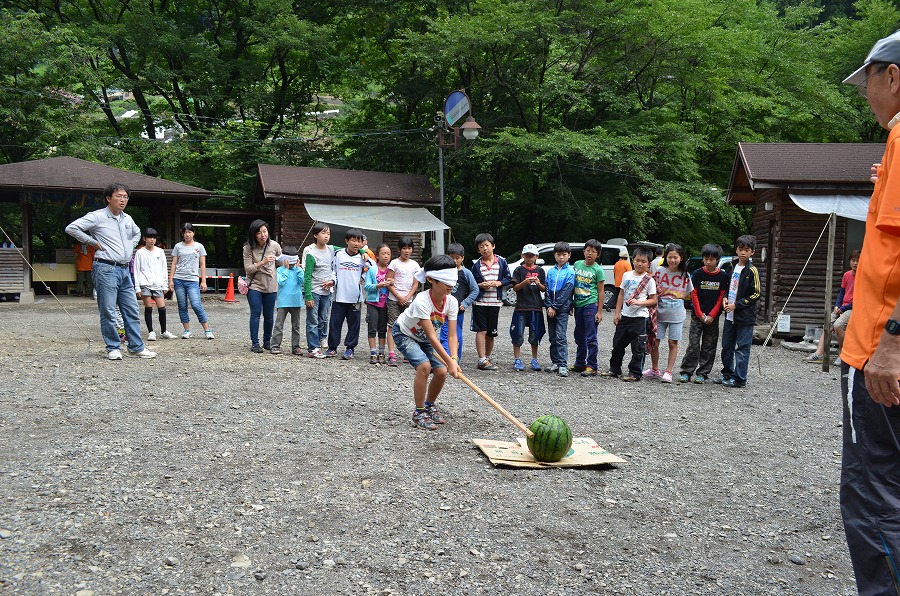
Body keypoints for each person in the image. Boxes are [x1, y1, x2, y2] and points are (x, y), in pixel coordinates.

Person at [840, 35, 900, 594]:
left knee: (874, 497)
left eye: (869, 82)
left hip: (882, 356)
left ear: (895, 78)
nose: (867, 97)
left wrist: (894, 341)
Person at [64, 182, 156, 360]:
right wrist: (92, 242)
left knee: (131, 309)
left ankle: (136, 346)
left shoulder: (127, 219)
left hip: (124, 269)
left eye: (126, 197)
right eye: (119, 196)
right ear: (108, 198)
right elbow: (72, 228)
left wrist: (130, 245)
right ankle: (113, 347)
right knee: (108, 310)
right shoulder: (97, 216)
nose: (123, 200)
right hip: (105, 267)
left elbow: (137, 233)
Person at [392, 255, 461, 431]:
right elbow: (431, 336)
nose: (450, 285)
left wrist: (453, 358)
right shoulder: (422, 300)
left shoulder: (451, 302)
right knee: (424, 367)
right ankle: (419, 412)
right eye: (445, 281)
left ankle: (429, 405)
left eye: (452, 281)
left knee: (442, 371)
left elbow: (452, 336)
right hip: (404, 334)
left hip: (422, 338)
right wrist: (450, 360)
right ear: (430, 279)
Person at [602, 247, 657, 381]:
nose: (639, 263)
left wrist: (639, 303)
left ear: (648, 263)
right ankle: (614, 369)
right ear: (633, 260)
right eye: (637, 260)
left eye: (643, 261)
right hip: (625, 316)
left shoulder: (649, 280)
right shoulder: (627, 275)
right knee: (618, 343)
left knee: (638, 346)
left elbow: (654, 299)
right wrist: (617, 313)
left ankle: (635, 373)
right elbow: (621, 294)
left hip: (640, 317)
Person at [678, 243, 728, 383]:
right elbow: (694, 295)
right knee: (693, 344)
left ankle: (703, 373)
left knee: (709, 345)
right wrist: (700, 314)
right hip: (697, 315)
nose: (708, 261)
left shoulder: (723, 276)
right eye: (706, 258)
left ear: (717, 259)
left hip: (714, 316)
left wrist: (712, 315)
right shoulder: (698, 274)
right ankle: (686, 371)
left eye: (711, 259)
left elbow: (721, 296)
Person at [643, 244, 693, 383]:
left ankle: (669, 371)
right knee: (655, 341)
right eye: (670, 257)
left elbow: (689, 293)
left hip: (677, 313)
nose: (672, 260)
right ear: (665, 257)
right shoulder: (659, 271)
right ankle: (654, 369)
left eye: (675, 257)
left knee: (673, 342)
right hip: (659, 312)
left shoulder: (685, 274)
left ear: (681, 258)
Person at [715, 235, 760, 388]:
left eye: (746, 250)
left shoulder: (752, 270)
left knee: (742, 348)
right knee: (727, 346)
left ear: (752, 252)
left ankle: (740, 378)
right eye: (740, 249)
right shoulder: (732, 266)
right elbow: (728, 286)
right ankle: (727, 373)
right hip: (729, 314)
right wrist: (726, 298)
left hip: (744, 316)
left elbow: (756, 294)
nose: (743, 253)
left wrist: (737, 305)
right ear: (736, 250)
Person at [806, 249, 859, 365]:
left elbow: (859, 299)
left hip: (854, 308)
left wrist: (843, 308)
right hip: (843, 306)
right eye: (853, 260)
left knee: (838, 325)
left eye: (858, 261)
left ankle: (843, 354)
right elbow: (842, 292)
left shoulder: (863, 276)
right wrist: (837, 305)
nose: (855, 263)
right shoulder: (847, 275)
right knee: (828, 322)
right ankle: (819, 353)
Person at [470, 233, 512, 371]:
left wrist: (498, 283)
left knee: (491, 332)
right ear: (478, 250)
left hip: (495, 302)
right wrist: (481, 285)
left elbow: (508, 278)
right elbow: (472, 283)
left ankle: (487, 357)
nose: (485, 249)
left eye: (487, 245)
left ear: (493, 246)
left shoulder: (501, 262)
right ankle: (481, 359)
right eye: (481, 247)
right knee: (481, 330)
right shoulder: (476, 265)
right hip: (480, 302)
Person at [243, 219, 282, 353]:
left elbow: (281, 262)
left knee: (269, 315)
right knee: (255, 314)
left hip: (271, 285)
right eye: (259, 233)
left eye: (264, 231)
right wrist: (263, 262)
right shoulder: (248, 248)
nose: (263, 235)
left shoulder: (275, 246)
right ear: (254, 234)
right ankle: (255, 343)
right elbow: (248, 269)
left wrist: (291, 264)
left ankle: (267, 341)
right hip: (254, 285)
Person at [169, 223, 214, 340]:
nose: (187, 234)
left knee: (196, 304)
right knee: (182, 305)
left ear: (193, 233)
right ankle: (187, 330)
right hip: (179, 279)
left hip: (192, 280)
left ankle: (207, 330)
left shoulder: (199, 246)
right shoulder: (178, 246)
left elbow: (203, 264)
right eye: (185, 232)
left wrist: (203, 281)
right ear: (182, 234)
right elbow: (173, 263)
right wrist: (171, 280)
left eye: (189, 232)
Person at [326, 228, 366, 359]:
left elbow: (370, 272)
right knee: (335, 323)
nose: (356, 244)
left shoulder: (363, 257)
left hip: (355, 297)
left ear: (362, 243)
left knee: (354, 324)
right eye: (353, 240)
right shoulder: (338, 254)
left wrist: (363, 278)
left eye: (359, 241)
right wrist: (332, 281)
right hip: (339, 296)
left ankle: (350, 348)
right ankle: (332, 348)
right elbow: (334, 271)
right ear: (346, 241)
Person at [132, 227, 176, 341]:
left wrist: (164, 285)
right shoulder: (140, 253)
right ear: (144, 239)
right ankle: (151, 331)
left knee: (162, 308)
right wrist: (137, 288)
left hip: (157, 283)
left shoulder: (160, 251)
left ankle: (164, 331)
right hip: (145, 283)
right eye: (149, 237)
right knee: (148, 308)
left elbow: (163, 268)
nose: (152, 240)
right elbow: (136, 271)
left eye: (154, 238)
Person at [509, 243, 546, 372]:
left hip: (536, 306)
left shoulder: (540, 271)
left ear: (536, 256)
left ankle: (534, 359)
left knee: (535, 335)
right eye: (527, 256)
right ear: (523, 256)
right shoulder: (519, 270)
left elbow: (543, 289)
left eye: (532, 256)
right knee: (518, 334)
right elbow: (515, 288)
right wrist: (525, 282)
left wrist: (538, 282)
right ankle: (517, 359)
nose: (529, 258)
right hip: (521, 306)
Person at [571, 238, 605, 377]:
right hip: (578, 304)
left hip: (591, 304)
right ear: (584, 251)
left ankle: (592, 365)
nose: (590, 253)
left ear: (598, 254)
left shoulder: (598, 270)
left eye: (593, 251)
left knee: (591, 336)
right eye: (588, 250)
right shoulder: (577, 264)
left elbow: (601, 291)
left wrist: (599, 311)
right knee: (579, 335)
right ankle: (580, 363)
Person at [440, 243, 479, 363]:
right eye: (452, 257)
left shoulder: (466, 273)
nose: (455, 260)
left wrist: (465, 303)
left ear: (462, 258)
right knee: (444, 334)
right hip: (444, 309)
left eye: (457, 258)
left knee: (457, 335)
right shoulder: (443, 271)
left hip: (458, 311)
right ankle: (445, 359)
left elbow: (475, 289)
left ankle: (456, 359)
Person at [385, 237, 421, 366]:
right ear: (399, 249)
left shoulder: (415, 265)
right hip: (394, 299)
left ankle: (408, 353)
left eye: (409, 248)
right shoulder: (394, 263)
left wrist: (408, 297)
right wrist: (399, 296)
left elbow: (416, 284)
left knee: (408, 327)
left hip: (409, 300)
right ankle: (391, 354)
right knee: (392, 326)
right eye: (404, 248)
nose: (407, 251)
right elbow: (389, 282)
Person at [302, 223, 335, 358]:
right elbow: (307, 276)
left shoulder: (332, 249)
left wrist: (363, 251)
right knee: (313, 320)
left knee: (324, 319)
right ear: (315, 235)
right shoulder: (311, 253)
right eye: (323, 233)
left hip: (328, 292)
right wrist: (308, 295)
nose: (326, 236)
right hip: (314, 292)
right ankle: (313, 348)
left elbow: (349, 249)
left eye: (328, 233)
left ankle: (322, 340)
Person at [544, 241, 575, 377]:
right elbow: (547, 290)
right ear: (554, 255)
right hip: (551, 309)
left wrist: (555, 306)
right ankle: (555, 362)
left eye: (564, 254)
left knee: (560, 336)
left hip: (562, 309)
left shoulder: (570, 272)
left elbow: (567, 291)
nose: (561, 257)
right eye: (558, 254)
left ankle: (563, 364)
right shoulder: (551, 271)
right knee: (552, 337)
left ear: (569, 255)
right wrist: (549, 305)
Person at [270, 246, 304, 355]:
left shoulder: (298, 270)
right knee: (279, 325)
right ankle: (275, 345)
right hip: (283, 302)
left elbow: (302, 281)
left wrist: (298, 268)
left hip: (296, 302)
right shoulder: (279, 270)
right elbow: (281, 282)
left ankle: (296, 346)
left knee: (296, 326)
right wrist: (285, 269)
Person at [364, 244, 393, 364]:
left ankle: (381, 352)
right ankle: (373, 352)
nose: (386, 256)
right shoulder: (372, 269)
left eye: (388, 254)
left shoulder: (391, 270)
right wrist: (378, 285)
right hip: (373, 303)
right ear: (377, 256)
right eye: (383, 253)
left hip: (386, 304)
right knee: (372, 328)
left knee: (382, 329)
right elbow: (366, 286)